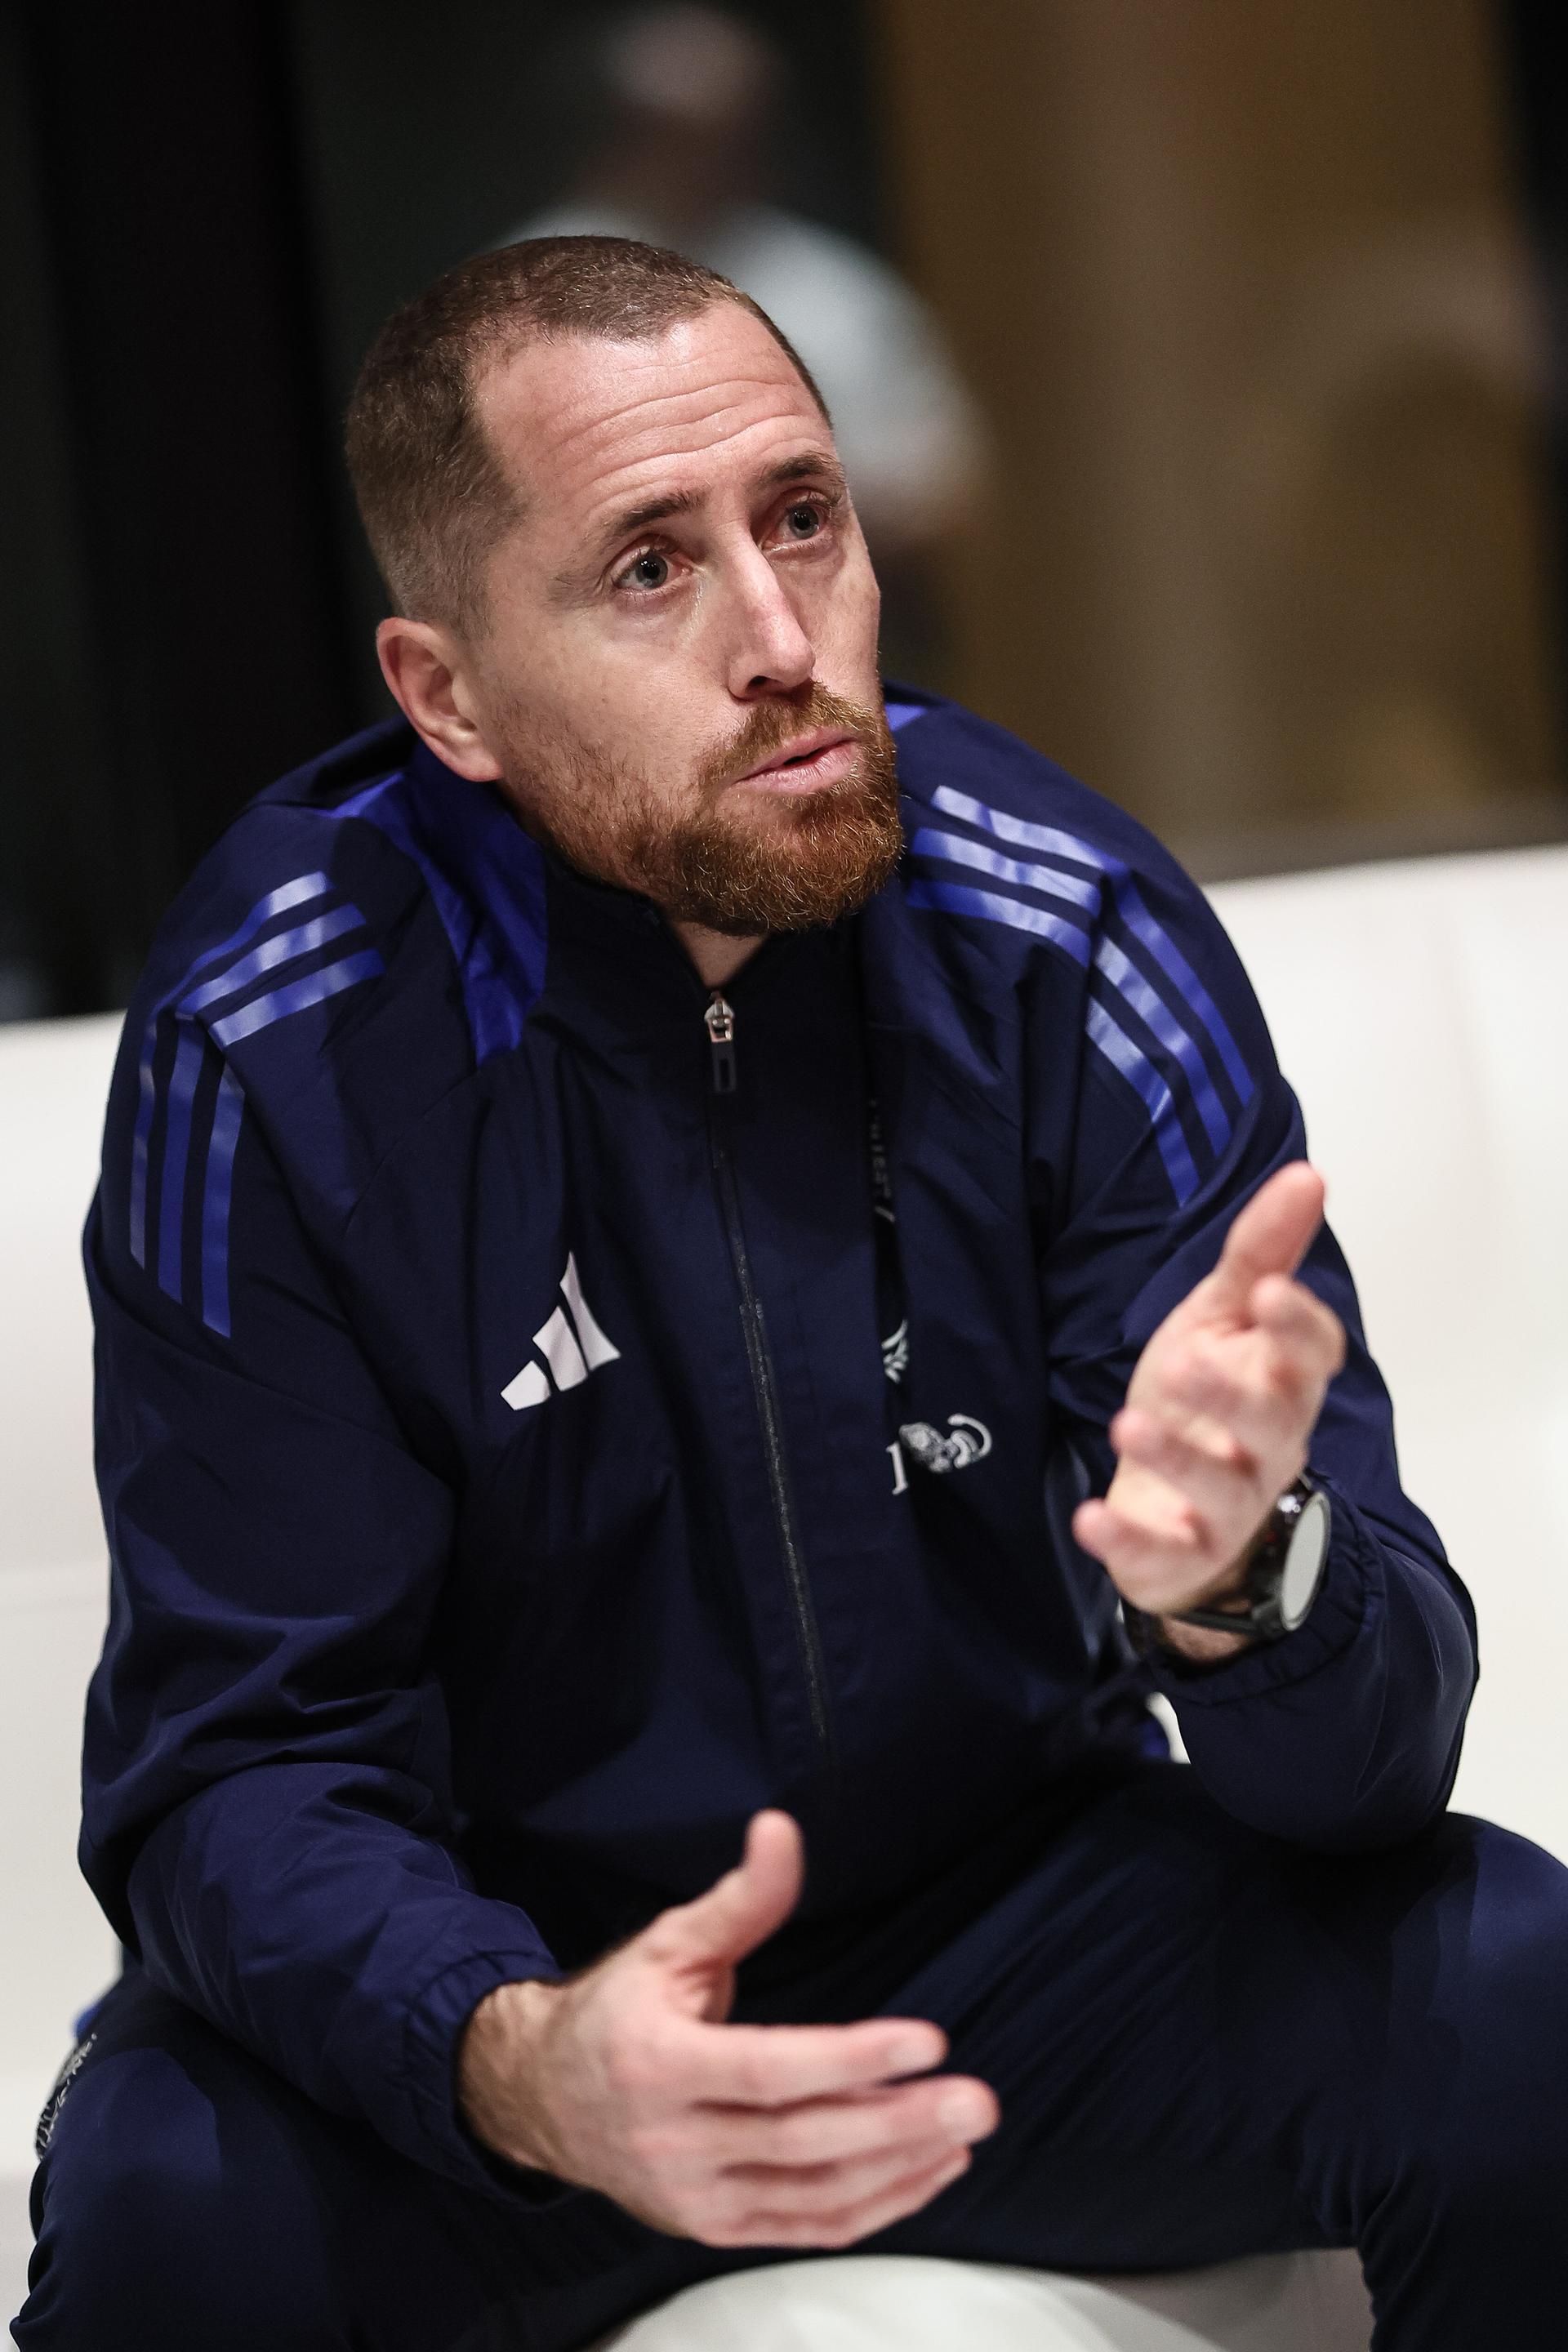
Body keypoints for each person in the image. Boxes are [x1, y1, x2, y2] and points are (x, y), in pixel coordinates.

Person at [13, 235, 1566, 2350]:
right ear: (445, 694)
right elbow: (240, 1769)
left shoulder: (1066, 933)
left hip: (1021, 1927)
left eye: (804, 520)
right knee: (162, 2220)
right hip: (529, 1983)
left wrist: (1249, 1585)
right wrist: (517, 2057)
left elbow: (1370, 1766)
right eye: (649, 568)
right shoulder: (280, 1042)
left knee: (1513, 1994)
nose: (781, 639)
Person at [501, 5, 983, 675]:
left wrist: (793, 520)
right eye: (677, 135)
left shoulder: (836, 290)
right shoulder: (516, 292)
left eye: (736, 133)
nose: (711, 160)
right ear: (615, 134)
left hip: (835, 640)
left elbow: (939, 483)